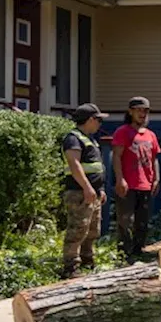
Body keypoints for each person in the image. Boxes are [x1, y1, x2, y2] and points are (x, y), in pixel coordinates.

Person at [61, 103, 109, 279]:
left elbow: (95, 168)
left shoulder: (90, 138)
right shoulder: (73, 139)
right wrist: (87, 188)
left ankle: (87, 261)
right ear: (89, 119)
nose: (99, 124)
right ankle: (70, 267)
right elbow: (74, 165)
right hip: (79, 193)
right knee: (77, 229)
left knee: (92, 230)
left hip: (93, 193)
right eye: (98, 120)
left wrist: (100, 189)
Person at [112, 96, 161, 262]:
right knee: (125, 220)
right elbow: (117, 156)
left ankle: (139, 250)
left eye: (145, 111)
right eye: (139, 110)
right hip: (128, 184)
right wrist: (120, 179)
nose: (142, 114)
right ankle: (124, 254)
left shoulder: (150, 135)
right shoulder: (122, 132)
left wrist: (156, 179)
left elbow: (154, 158)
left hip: (146, 184)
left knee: (142, 221)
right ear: (130, 111)